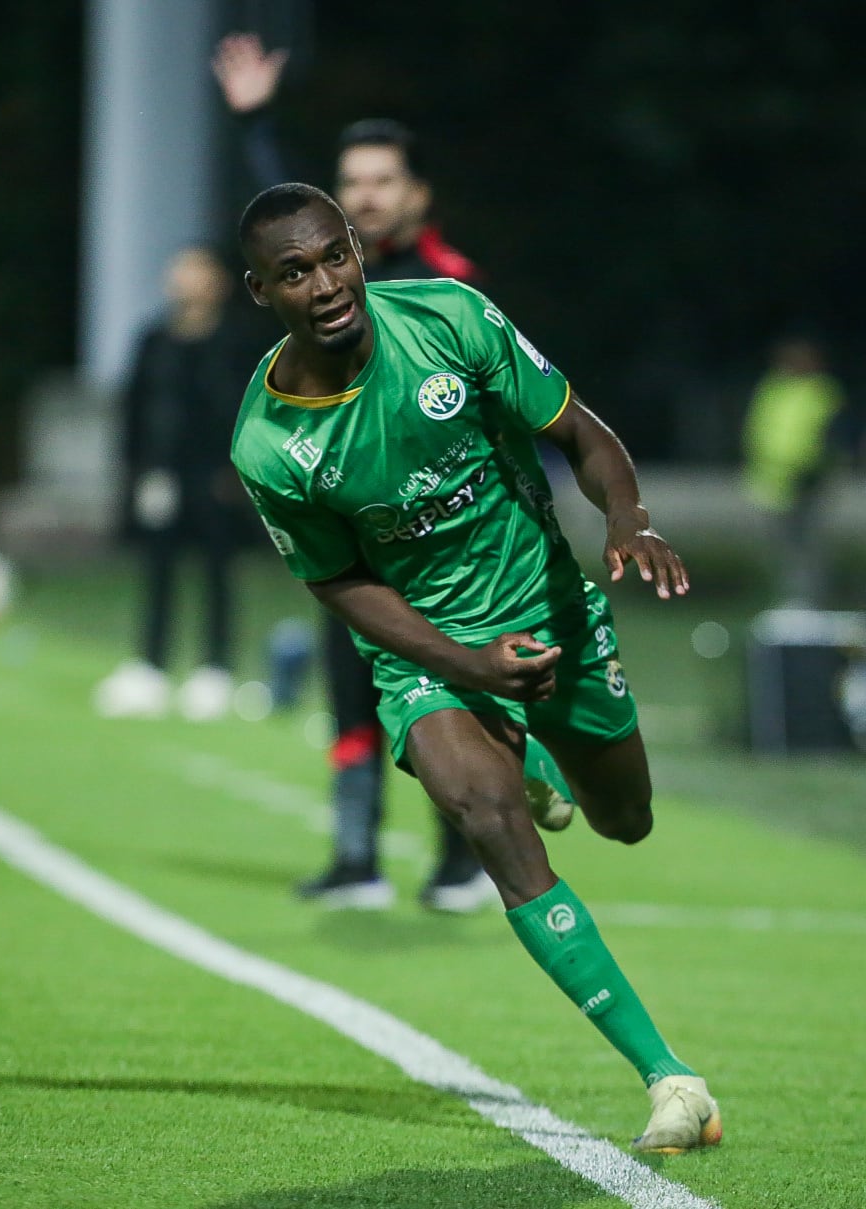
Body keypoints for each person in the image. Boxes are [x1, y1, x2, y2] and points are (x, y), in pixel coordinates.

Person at [230, 183, 722, 1153]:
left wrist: (630, 520)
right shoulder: (269, 444)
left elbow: (581, 433)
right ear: (260, 292)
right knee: (485, 817)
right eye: (293, 273)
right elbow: (341, 585)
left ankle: (542, 761)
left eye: (334, 256)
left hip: (551, 617)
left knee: (625, 820)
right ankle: (671, 1080)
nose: (324, 284)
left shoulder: (450, 320)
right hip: (432, 657)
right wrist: (467, 666)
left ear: (358, 251)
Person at [215, 33, 569, 912]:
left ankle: (460, 859)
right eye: (354, 183)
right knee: (351, 685)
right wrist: (256, 120)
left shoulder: (448, 286)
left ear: (416, 193)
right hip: (364, 536)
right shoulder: (321, 276)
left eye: (381, 181)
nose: (364, 197)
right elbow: (277, 220)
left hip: (448, 546)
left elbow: (507, 411)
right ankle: (355, 853)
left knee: (455, 688)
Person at [93, 246, 267, 720]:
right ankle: (150, 665)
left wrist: (241, 468)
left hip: (216, 473)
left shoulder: (235, 340)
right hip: (162, 472)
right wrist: (135, 469)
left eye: (197, 269)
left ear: (219, 281)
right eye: (180, 269)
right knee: (158, 567)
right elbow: (135, 407)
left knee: (217, 569)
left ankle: (216, 668)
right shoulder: (153, 339)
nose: (185, 278)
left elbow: (254, 405)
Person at [741, 331, 841, 605]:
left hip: (807, 482)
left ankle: (810, 605)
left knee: (808, 549)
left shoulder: (822, 391)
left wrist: (815, 469)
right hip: (771, 484)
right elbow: (758, 428)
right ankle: (788, 602)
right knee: (779, 551)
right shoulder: (772, 388)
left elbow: (828, 435)